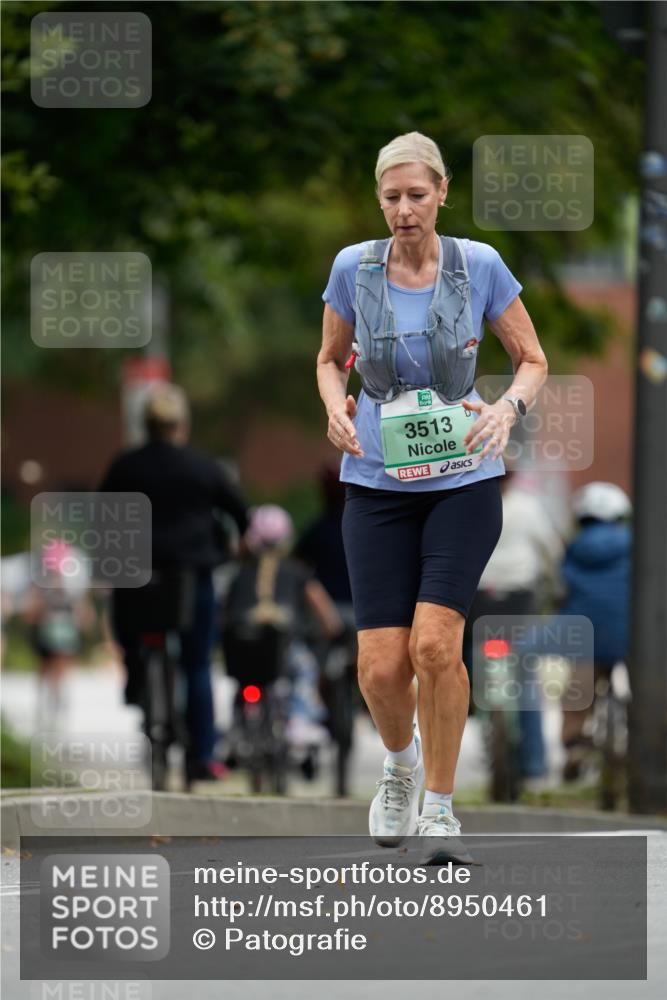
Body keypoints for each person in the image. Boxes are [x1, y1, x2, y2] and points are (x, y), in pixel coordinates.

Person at [316, 131, 548, 862]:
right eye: (391, 197)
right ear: (377, 200)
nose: (404, 210)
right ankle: (399, 764)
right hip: (377, 483)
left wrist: (508, 409)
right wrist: (333, 405)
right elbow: (328, 360)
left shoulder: (476, 266)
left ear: (442, 192)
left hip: (463, 480)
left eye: (417, 195)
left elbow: (532, 361)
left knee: (434, 644)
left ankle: (441, 809)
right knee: (380, 667)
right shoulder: (353, 269)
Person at [99, 384, 249, 782]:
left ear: (146, 426)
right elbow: (241, 514)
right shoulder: (202, 466)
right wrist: (238, 546)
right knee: (196, 663)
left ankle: (136, 677)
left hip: (137, 576)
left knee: (129, 631)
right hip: (191, 575)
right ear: (181, 425)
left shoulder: (124, 466)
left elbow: (103, 520)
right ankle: (201, 756)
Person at [465, 471, 564, 786]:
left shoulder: (469, 502)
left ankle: (478, 712)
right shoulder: (528, 506)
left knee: (470, 660)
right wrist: (555, 586)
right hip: (520, 600)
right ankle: (534, 764)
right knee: (525, 675)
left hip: (479, 597)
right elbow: (551, 552)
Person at [222, 504, 343, 748]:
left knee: (241, 684)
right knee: (304, 671)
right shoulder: (298, 573)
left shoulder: (239, 573)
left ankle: (235, 730)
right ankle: (299, 720)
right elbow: (324, 611)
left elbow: (224, 610)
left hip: (242, 652)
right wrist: (332, 630)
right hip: (283, 649)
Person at [558, 481, 632, 780]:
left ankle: (574, 743)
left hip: (585, 635)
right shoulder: (639, 544)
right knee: (652, 691)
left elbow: (560, 589)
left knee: (578, 692)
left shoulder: (574, 549)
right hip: (633, 635)